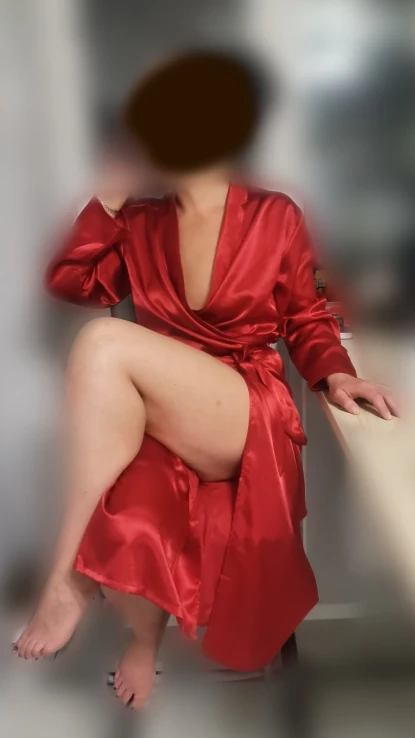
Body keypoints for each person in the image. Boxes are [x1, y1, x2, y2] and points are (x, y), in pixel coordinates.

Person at [14, 50, 396, 710]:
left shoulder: (274, 214)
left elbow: (305, 317)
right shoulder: (140, 220)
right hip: (172, 414)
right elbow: (68, 280)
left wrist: (335, 375)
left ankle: (66, 582)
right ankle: (140, 642)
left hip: (246, 412)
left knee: (102, 341)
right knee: (130, 481)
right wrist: (109, 195)